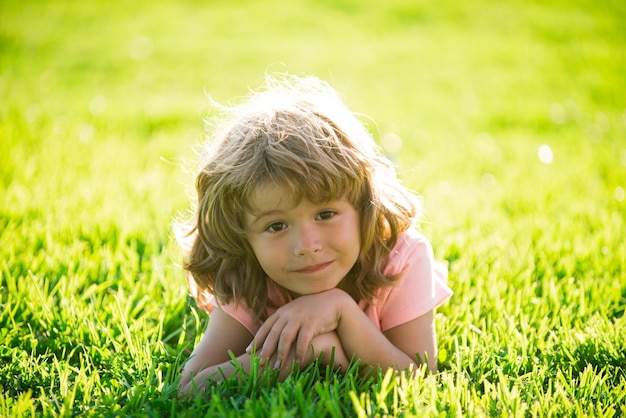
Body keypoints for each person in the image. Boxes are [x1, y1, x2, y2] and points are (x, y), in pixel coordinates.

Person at [177, 74, 452, 395]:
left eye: (325, 214)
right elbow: (190, 387)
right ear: (243, 235)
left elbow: (417, 380)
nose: (307, 246)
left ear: (364, 206)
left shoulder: (402, 258)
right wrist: (304, 352)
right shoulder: (244, 269)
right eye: (276, 226)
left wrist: (340, 310)